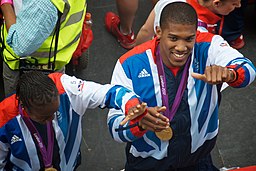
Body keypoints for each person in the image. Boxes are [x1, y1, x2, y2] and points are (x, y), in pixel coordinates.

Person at [107, 2, 256, 171]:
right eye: (173, 38)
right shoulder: (129, 65)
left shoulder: (208, 45)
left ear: (196, 33)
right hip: (147, 164)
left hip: (198, 160)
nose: (181, 47)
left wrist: (231, 74)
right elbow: (114, 127)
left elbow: (248, 69)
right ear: (158, 32)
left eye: (189, 39)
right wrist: (139, 124)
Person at [0, 71, 170, 170]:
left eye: (55, 112)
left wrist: (131, 105)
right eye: (44, 118)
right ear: (23, 106)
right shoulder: (4, 118)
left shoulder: (67, 89)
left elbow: (108, 93)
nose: (52, 119)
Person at [0, 0, 88, 96]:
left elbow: (19, 44)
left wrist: (6, 4)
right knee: (54, 100)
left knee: (14, 104)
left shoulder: (43, 4)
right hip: (58, 58)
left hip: (21, 63)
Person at [135, 0, 245, 50]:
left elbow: (145, 31)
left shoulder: (168, 1)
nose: (239, 5)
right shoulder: (201, 32)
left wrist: (135, 56)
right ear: (217, 3)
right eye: (234, 4)